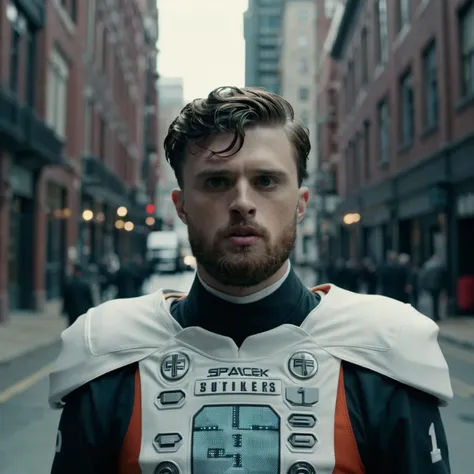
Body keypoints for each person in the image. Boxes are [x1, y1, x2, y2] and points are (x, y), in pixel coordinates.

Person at [49, 87, 452, 474]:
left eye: (266, 181)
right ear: (182, 205)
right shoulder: (106, 358)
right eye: (217, 182)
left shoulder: (385, 355)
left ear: (300, 204)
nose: (243, 202)